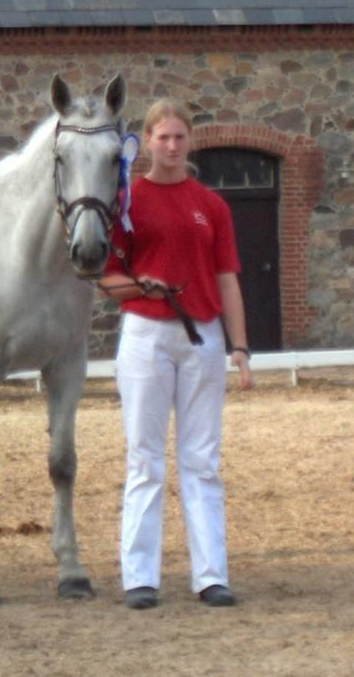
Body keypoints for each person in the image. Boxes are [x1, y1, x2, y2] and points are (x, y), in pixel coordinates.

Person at [98, 99, 253, 609]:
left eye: (178, 137)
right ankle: (139, 576)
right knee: (145, 460)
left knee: (201, 460)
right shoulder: (126, 201)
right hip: (146, 333)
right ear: (146, 141)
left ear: (190, 141)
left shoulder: (212, 206)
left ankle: (211, 575)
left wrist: (240, 346)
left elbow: (227, 276)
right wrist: (138, 284)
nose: (170, 146)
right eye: (161, 137)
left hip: (202, 336)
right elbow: (107, 279)